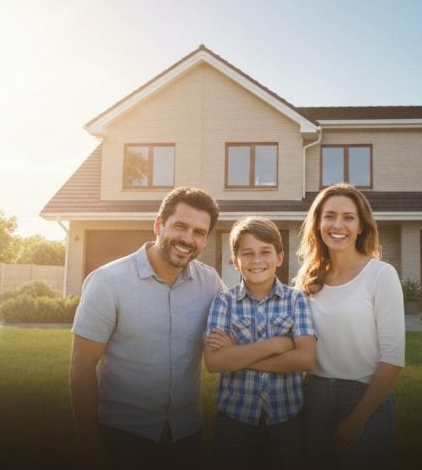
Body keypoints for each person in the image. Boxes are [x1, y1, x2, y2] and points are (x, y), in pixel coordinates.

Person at [70, 187, 225, 470]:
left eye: (199, 232)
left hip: (186, 434)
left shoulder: (210, 283)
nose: (188, 239)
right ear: (158, 224)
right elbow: (82, 365)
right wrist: (90, 444)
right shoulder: (108, 282)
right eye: (180, 226)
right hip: (123, 436)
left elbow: (243, 326)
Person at [296, 183, 405, 470]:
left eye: (348, 217)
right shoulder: (307, 278)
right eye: (329, 216)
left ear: (361, 227)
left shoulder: (381, 275)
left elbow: (393, 358)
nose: (337, 225)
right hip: (313, 396)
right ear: (318, 223)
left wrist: (357, 419)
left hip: (365, 397)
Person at [203, 216, 316, 470]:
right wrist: (274, 345)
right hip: (234, 420)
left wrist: (237, 356)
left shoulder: (296, 300)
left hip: (285, 419)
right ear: (235, 260)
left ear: (279, 257)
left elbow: (305, 359)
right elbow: (214, 362)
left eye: (265, 252)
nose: (256, 261)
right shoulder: (224, 302)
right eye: (247, 253)